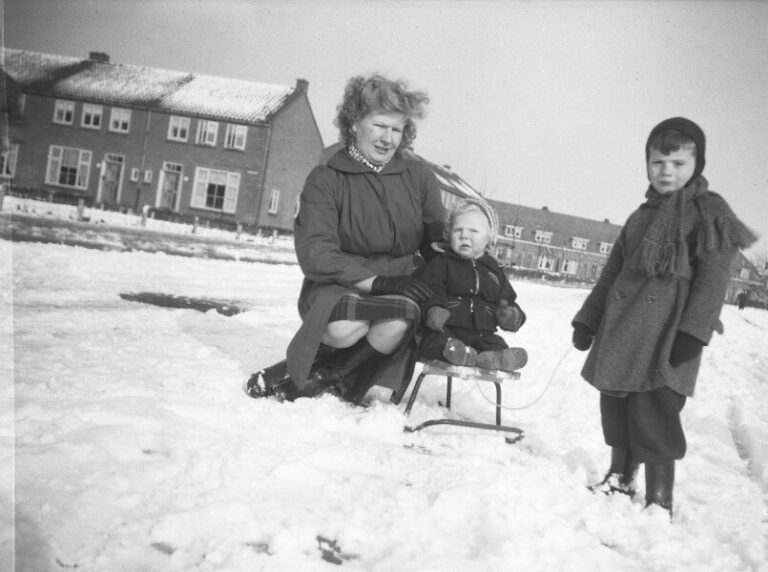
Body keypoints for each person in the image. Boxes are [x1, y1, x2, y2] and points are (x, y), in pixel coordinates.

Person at [571, 117, 757, 516]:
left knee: (655, 413)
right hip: (622, 330)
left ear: (697, 166)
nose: (666, 171)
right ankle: (620, 477)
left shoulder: (710, 214)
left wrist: (694, 332)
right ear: (647, 164)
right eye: (657, 163)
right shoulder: (640, 216)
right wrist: (588, 319)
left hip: (668, 335)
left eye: (677, 163)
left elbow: (713, 279)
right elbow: (612, 274)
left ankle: (659, 497)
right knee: (617, 406)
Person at [247, 73, 445, 405]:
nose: (387, 138)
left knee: (399, 323)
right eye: (379, 126)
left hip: (401, 288)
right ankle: (315, 368)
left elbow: (435, 241)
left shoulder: (419, 176)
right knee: (343, 330)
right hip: (338, 285)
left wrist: (453, 253)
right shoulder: (327, 177)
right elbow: (316, 252)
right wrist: (378, 283)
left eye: (396, 129)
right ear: (355, 123)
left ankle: (329, 376)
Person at [418, 198, 528, 372]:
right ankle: (459, 353)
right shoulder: (442, 263)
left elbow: (507, 299)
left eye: (473, 231)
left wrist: (511, 315)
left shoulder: (494, 271)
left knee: (495, 343)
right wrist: (434, 308)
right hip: (447, 328)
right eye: (457, 230)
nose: (464, 235)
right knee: (435, 342)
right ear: (448, 234)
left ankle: (495, 357)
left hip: (482, 333)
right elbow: (431, 288)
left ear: (488, 238)